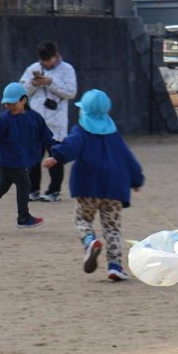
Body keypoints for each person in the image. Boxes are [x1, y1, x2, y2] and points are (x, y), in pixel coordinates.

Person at [42, 89, 144, 282]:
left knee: (82, 220)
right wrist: (136, 180)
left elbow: (70, 146)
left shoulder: (81, 132)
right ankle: (115, 266)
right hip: (114, 189)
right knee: (112, 228)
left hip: (87, 186)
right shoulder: (114, 134)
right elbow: (128, 158)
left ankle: (90, 241)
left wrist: (56, 157)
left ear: (84, 112)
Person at [0, 82, 52, 234]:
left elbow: (46, 136)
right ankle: (23, 218)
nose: (9, 106)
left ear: (24, 100)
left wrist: (58, 149)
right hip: (11, 161)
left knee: (0, 188)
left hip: (17, 161)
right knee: (25, 183)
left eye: (12, 103)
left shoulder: (35, 118)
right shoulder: (4, 119)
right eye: (6, 103)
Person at [20, 40, 77, 203]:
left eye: (48, 59)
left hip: (56, 122)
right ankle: (33, 190)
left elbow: (71, 92)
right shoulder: (33, 69)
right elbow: (21, 91)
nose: (45, 63)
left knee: (55, 157)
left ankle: (54, 191)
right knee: (32, 158)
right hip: (35, 120)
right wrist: (33, 83)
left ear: (56, 55)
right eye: (43, 60)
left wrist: (50, 82)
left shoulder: (67, 69)